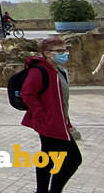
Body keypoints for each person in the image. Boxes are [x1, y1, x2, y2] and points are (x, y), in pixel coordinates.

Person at [19, 36, 82, 193]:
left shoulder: (59, 71)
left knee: (48, 156)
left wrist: (66, 121)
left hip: (58, 122)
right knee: (74, 159)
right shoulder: (39, 71)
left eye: (65, 50)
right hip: (49, 123)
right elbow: (27, 93)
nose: (64, 54)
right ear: (47, 53)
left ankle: (42, 191)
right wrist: (43, 115)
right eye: (59, 51)